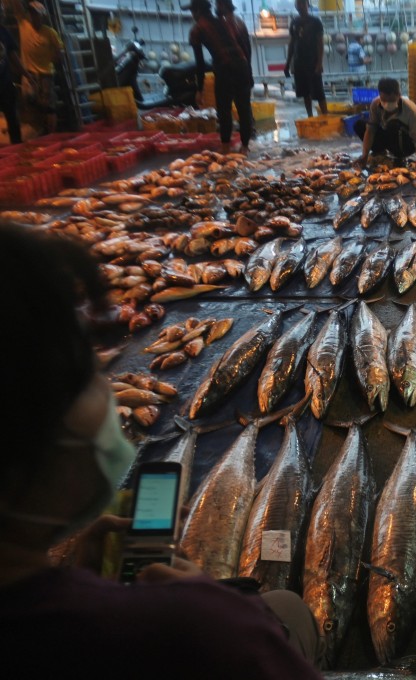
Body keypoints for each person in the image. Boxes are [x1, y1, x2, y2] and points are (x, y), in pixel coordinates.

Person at [0, 224, 324, 678]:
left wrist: (79, 577)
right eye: (87, 378)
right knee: (287, 607)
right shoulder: (200, 631)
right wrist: (219, 613)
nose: (108, 391)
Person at [188, 0, 253, 153]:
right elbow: (244, 48)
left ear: (197, 11)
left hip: (225, 68)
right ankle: (245, 147)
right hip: (242, 66)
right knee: (244, 108)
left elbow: (200, 63)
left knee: (224, 110)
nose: (192, 15)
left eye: (192, 11)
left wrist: (200, 89)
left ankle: (225, 147)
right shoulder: (226, 21)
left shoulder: (197, 29)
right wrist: (249, 72)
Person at [9, 1, 62, 135]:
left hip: (45, 75)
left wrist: (51, 60)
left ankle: (50, 134)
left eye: (36, 14)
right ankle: (38, 132)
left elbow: (59, 51)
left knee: (48, 107)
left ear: (42, 16)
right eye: (31, 13)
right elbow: (17, 7)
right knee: (30, 104)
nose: (33, 16)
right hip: (29, 74)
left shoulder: (50, 33)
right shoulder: (24, 25)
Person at [355, 77, 416, 170]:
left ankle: (399, 157)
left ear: (399, 95)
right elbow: (370, 131)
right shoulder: (375, 104)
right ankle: (380, 153)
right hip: (389, 138)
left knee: (392, 124)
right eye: (384, 100)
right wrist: (364, 156)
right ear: (380, 95)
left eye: (391, 100)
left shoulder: (411, 109)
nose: (387, 104)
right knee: (360, 125)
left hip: (406, 144)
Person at [284, 0, 327, 118]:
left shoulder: (316, 22)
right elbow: (292, 43)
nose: (301, 6)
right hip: (299, 63)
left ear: (308, 5)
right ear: (296, 6)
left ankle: (326, 116)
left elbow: (320, 44)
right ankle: (310, 116)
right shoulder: (294, 22)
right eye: (298, 4)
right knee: (305, 93)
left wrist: (319, 63)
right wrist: (288, 63)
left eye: (303, 3)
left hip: (313, 62)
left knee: (319, 92)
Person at [0, 23, 22, 144]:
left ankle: (17, 146)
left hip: (5, 82)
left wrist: (25, 74)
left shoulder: (3, 31)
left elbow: (13, 56)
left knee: (12, 117)